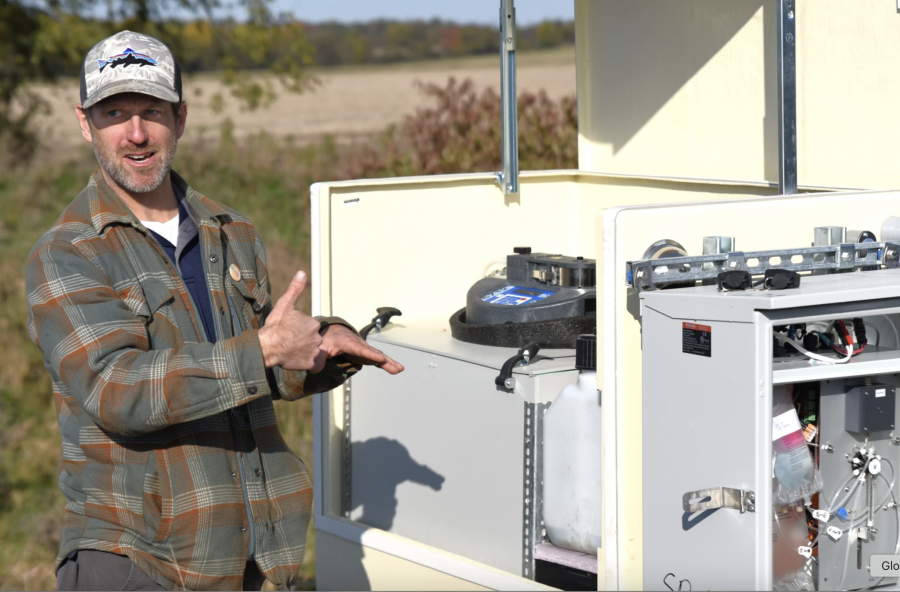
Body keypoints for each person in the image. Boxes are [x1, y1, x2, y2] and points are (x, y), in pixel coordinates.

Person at [25, 30, 404, 591]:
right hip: (134, 558)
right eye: (115, 113)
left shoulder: (232, 232)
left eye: (152, 111)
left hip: (246, 553)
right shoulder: (65, 252)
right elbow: (118, 389)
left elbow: (256, 365)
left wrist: (320, 344)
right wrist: (265, 350)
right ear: (86, 123)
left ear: (180, 117)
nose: (136, 133)